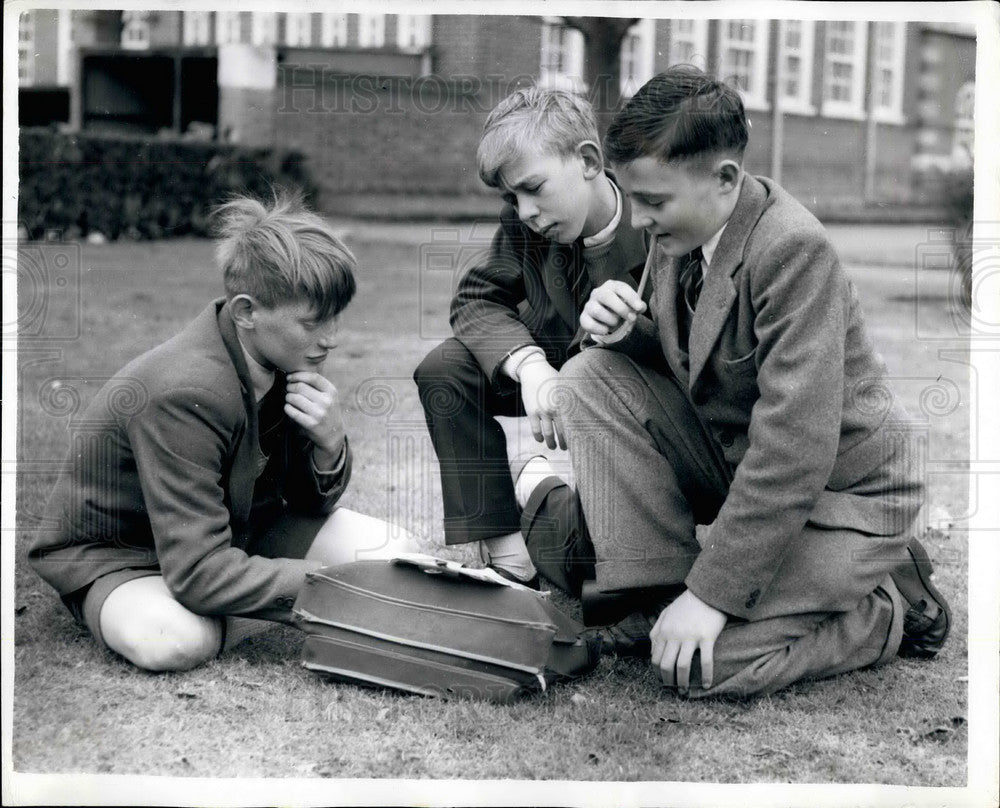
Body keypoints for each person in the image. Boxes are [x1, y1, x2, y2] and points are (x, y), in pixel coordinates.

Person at [548, 66, 951, 697]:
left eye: (654, 202)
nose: (641, 220)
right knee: (588, 377)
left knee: (703, 667)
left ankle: (890, 608)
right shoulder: (685, 228)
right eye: (637, 199)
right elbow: (705, 367)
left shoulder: (793, 250)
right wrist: (623, 330)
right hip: (743, 466)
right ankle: (654, 593)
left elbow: (795, 446)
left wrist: (711, 597)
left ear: (726, 179)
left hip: (844, 497)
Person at [29, 193, 415, 672]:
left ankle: (237, 613)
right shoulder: (184, 391)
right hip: (127, 553)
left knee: (395, 555)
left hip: (232, 533)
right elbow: (196, 573)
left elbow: (305, 504)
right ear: (247, 311)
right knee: (174, 640)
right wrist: (338, 587)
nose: (332, 337)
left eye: (336, 316)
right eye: (313, 321)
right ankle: (216, 616)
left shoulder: (278, 356)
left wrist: (329, 444)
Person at [413, 87, 646, 588]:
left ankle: (538, 485)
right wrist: (530, 365)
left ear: (587, 161)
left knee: (594, 575)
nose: (523, 211)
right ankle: (507, 556)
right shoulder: (526, 226)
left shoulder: (657, 223)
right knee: (443, 371)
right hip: (547, 374)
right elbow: (475, 299)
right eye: (511, 198)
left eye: (533, 188)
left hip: (631, 398)